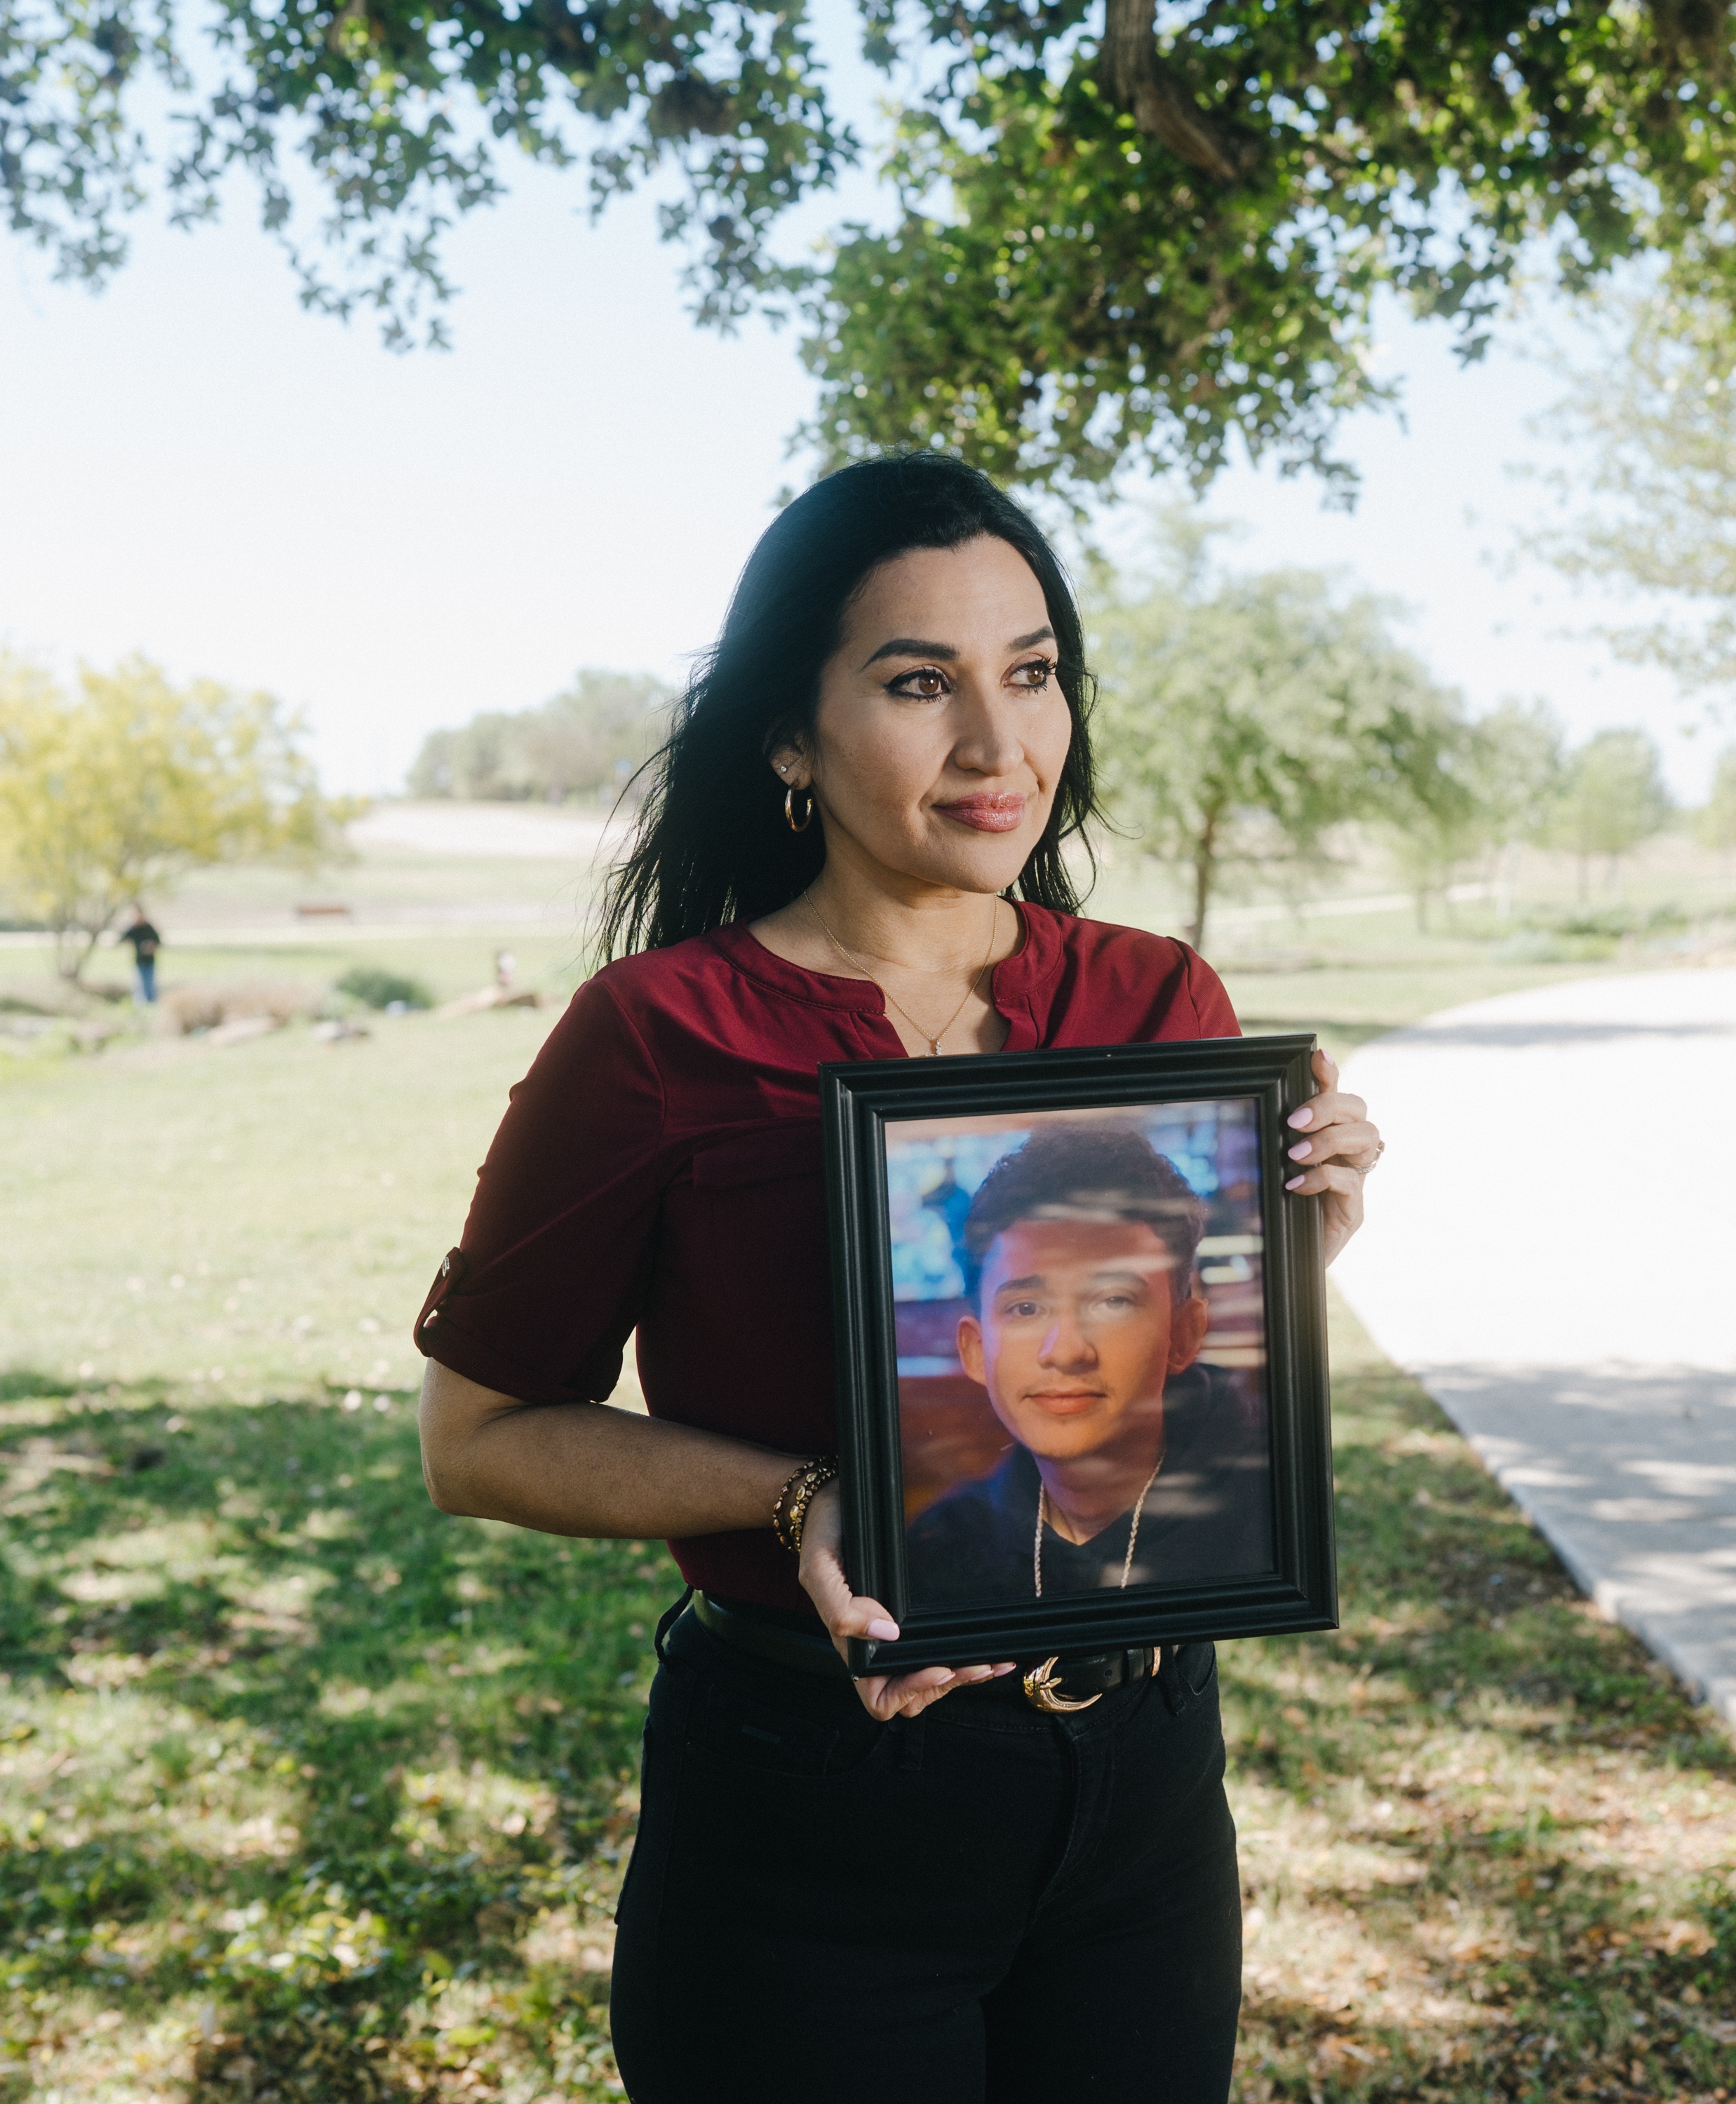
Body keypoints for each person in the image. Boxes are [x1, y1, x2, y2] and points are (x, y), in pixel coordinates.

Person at [411, 453, 1385, 2103]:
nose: (997, 745)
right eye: (917, 682)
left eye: (1032, 673)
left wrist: (1287, 1247)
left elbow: (1180, 1404)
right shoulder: (657, 1032)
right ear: (790, 735)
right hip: (811, 1813)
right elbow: (479, 1435)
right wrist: (802, 1493)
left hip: (1142, 1789)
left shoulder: (1158, 999)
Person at [903, 1124, 1271, 1604]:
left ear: (1184, 1334)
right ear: (976, 1351)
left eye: (1113, 1301)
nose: (1066, 1349)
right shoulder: (940, 1548)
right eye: (1027, 1309)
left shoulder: (1268, 1509)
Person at [117, 904, 161, 1004]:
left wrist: (151, 947)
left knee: (150, 986)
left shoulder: (148, 927)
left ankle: (151, 1005)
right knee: (139, 987)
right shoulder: (133, 928)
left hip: (150, 961)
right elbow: (122, 939)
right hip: (139, 961)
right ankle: (140, 1008)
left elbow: (158, 941)